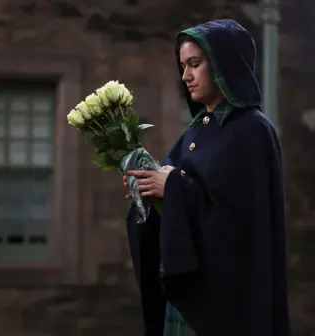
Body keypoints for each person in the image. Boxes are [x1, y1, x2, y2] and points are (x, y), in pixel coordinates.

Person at [123, 19, 290, 336]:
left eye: (195, 64)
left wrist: (171, 186)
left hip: (228, 303)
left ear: (225, 65)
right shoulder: (194, 133)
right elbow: (172, 193)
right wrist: (145, 186)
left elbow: (241, 221)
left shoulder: (252, 130)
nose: (185, 76)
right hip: (188, 292)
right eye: (183, 65)